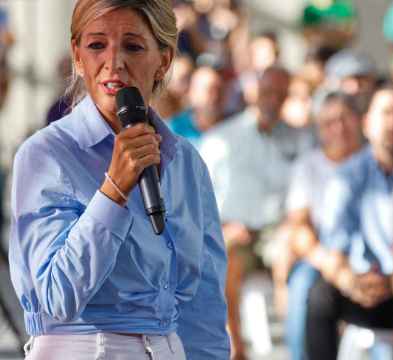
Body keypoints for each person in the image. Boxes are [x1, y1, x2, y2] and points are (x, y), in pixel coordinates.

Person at [8, 1, 228, 359]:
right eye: (97, 45)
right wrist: (113, 191)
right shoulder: (44, 155)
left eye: (133, 46)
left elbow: (203, 305)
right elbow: (56, 297)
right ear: (77, 57)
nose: (114, 62)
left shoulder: (186, 162)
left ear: (164, 60)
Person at [304, 86, 393, 360]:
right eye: (386, 114)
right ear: (367, 123)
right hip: (365, 288)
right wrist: (349, 281)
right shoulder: (347, 177)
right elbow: (334, 247)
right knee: (320, 297)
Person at [200, 65, 314, 359]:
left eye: (280, 94)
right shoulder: (222, 139)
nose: (272, 99)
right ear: (254, 92)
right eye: (267, 92)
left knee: (290, 258)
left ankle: (293, 345)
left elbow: (307, 194)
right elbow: (201, 197)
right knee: (224, 256)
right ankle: (235, 347)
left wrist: (291, 226)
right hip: (236, 229)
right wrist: (223, 227)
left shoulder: (300, 139)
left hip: (280, 231)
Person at [274, 92, 363, 360]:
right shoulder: (308, 165)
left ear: (358, 121)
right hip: (322, 252)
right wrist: (327, 262)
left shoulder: (373, 160)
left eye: (344, 119)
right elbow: (299, 227)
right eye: (329, 122)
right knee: (301, 286)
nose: (339, 128)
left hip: (365, 250)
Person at [167, 64, 227, 149]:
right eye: (210, 91)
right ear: (193, 94)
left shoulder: (232, 124)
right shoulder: (172, 130)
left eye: (220, 90)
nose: (216, 96)